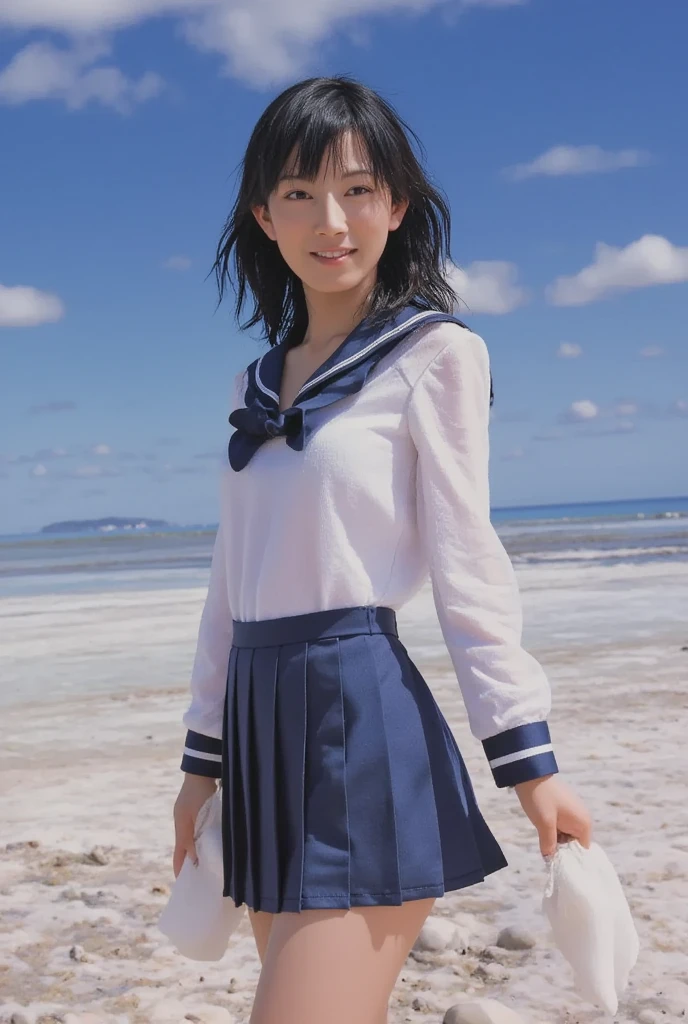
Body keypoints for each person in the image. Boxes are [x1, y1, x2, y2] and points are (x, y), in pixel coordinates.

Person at [172, 74, 592, 1024]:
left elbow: (467, 563)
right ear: (263, 217)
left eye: (359, 189)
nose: (333, 219)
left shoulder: (436, 355)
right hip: (259, 731)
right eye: (299, 192)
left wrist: (529, 760)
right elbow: (229, 588)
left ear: (397, 206)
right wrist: (200, 768)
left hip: (359, 721)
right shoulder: (252, 381)